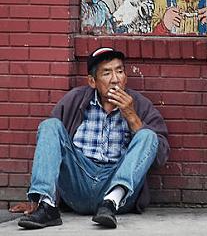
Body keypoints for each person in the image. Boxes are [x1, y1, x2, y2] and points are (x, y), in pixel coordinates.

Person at [11, 47, 170, 229]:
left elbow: (160, 157)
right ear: (92, 81)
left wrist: (132, 117)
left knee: (147, 135)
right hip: (78, 182)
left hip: (118, 186)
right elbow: (50, 146)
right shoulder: (75, 100)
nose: (115, 79)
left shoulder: (140, 104)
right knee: (50, 126)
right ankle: (46, 206)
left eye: (119, 71)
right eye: (107, 73)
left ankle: (109, 203)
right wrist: (36, 197)